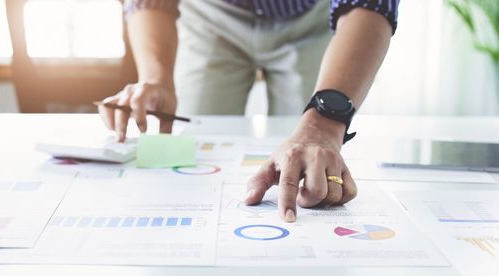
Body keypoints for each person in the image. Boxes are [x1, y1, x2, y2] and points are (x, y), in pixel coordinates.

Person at [98, 0, 400, 222]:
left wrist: (324, 125)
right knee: (193, 145)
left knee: (311, 161)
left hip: (314, 17)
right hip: (209, 14)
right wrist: (156, 78)